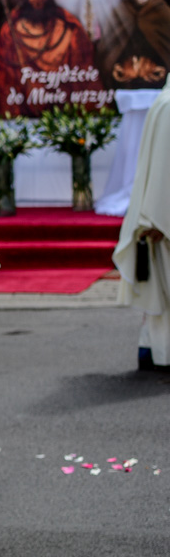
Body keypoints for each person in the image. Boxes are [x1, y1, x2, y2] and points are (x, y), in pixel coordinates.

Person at [0, 0, 103, 116]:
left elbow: (86, 84)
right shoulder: (10, 33)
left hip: (67, 116)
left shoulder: (70, 29)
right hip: (24, 118)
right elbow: (4, 84)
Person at [112, 80, 170, 370]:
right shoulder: (168, 107)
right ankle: (160, 353)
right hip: (162, 219)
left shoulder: (164, 101)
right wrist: (159, 218)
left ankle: (152, 349)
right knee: (164, 294)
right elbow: (163, 170)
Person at [96, 0, 170, 89]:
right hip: (123, 86)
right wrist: (120, 69)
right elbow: (106, 54)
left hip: (160, 88)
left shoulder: (165, 14)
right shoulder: (118, 14)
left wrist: (153, 69)